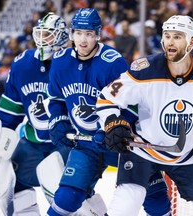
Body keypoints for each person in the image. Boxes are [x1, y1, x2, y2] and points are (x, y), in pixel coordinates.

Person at [96, 15, 193, 215]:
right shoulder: (144, 70)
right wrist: (112, 122)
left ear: (191, 41)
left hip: (187, 154)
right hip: (142, 148)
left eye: (177, 37)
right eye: (167, 36)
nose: (170, 42)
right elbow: (106, 99)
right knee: (125, 205)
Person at [0, 12, 104, 216]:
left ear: (60, 37)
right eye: (40, 34)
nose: (42, 40)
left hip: (68, 144)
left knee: (68, 195)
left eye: (48, 35)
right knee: (8, 179)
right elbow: (10, 110)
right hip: (33, 143)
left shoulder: (75, 64)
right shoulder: (23, 64)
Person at [46, 8, 170, 216]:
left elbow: (132, 105)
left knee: (154, 198)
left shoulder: (112, 63)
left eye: (89, 34)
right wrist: (58, 121)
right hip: (87, 144)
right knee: (67, 197)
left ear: (98, 34)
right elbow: (56, 99)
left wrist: (113, 127)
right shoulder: (60, 61)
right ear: (71, 34)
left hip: (122, 143)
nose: (83, 40)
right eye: (78, 33)